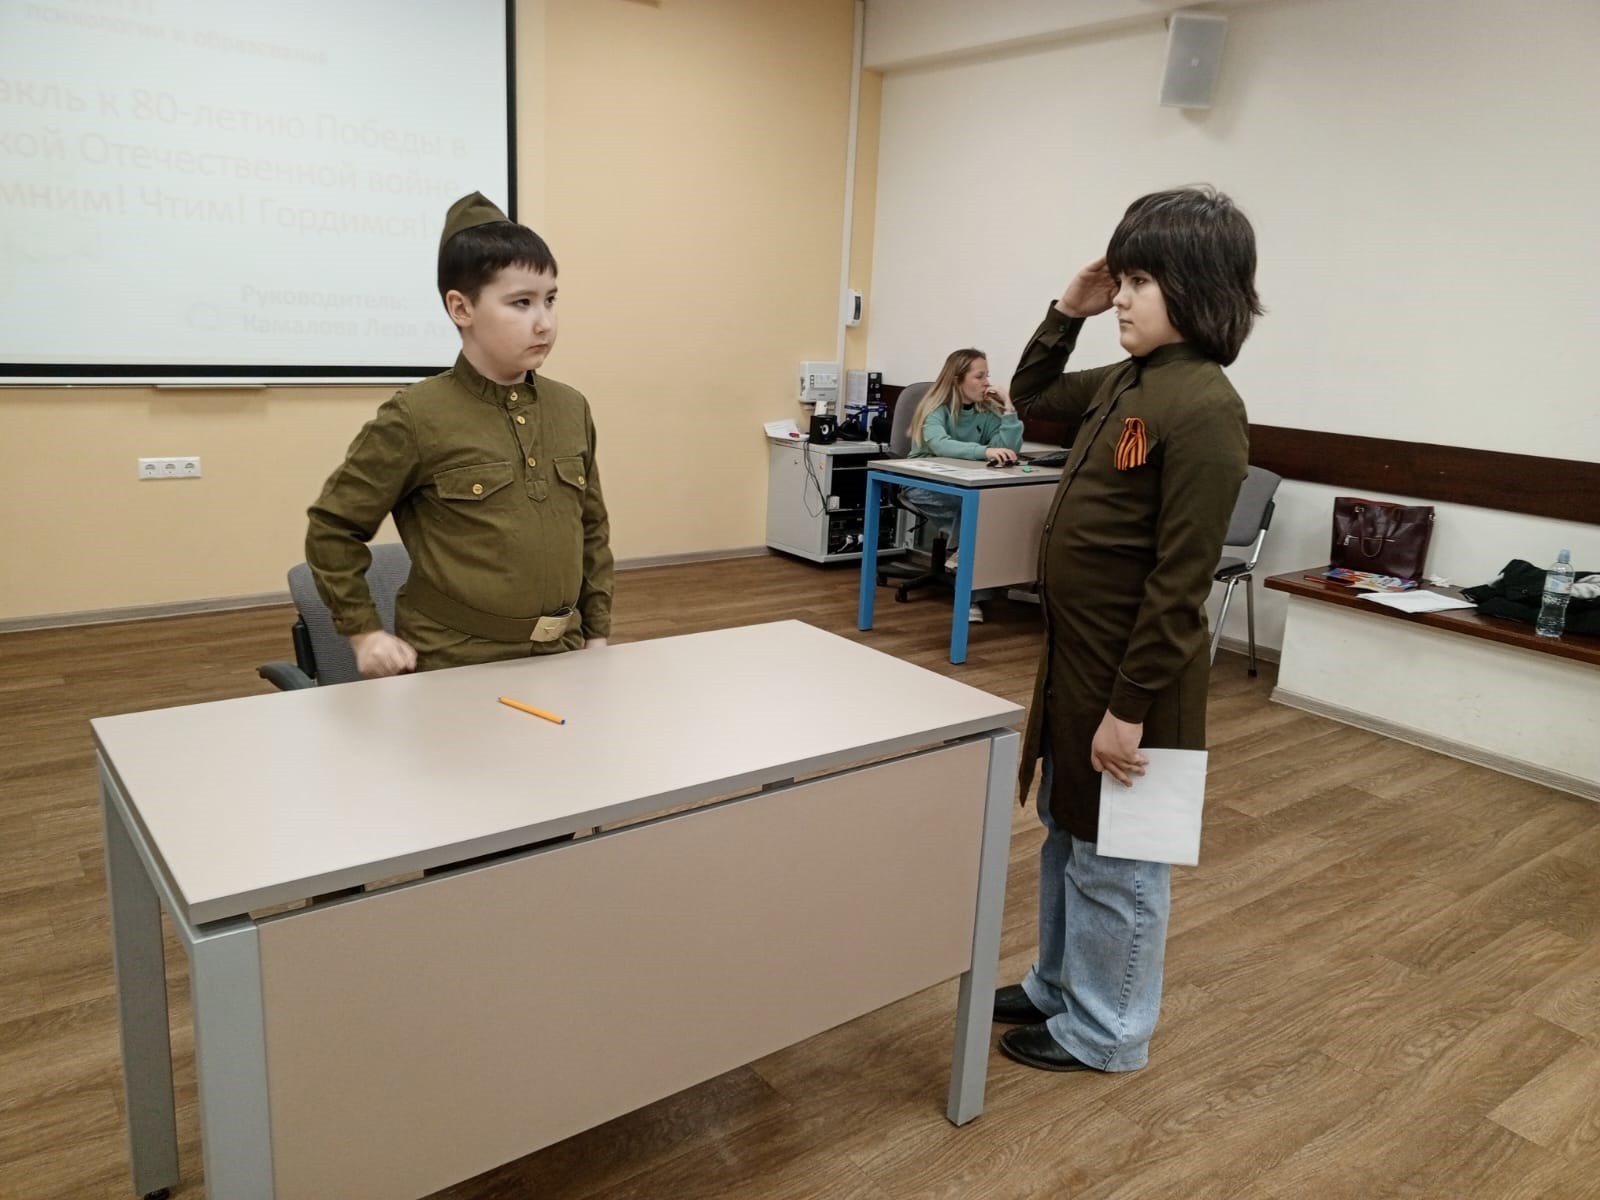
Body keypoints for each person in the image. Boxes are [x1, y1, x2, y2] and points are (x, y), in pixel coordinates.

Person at [994, 186, 1260, 1072]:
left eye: (1142, 281)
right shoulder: (1128, 380)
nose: (1123, 298)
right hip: (1079, 665)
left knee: (1122, 864)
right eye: (1124, 279)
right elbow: (1032, 394)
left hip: (1136, 685)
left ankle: (1109, 1032)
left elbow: (1181, 583)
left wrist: (1129, 708)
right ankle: (1056, 984)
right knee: (1068, 832)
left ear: (1200, 288)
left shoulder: (1206, 405)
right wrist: (1066, 309)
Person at [305, 192, 613, 676]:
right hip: (456, 662)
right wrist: (364, 632)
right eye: (521, 303)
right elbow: (332, 527)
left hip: (564, 654)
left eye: (550, 300)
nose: (544, 323)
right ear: (461, 307)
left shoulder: (570, 407)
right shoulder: (416, 415)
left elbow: (591, 530)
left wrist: (596, 633)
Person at [902, 348, 1025, 622]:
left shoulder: (986, 410)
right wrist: (985, 451)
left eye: (987, 376)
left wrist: (1008, 407)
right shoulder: (935, 409)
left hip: (966, 485)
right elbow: (940, 444)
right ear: (957, 380)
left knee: (982, 510)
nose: (986, 382)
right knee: (975, 513)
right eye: (979, 376)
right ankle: (970, 596)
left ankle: (961, 560)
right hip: (922, 485)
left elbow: (1009, 448)